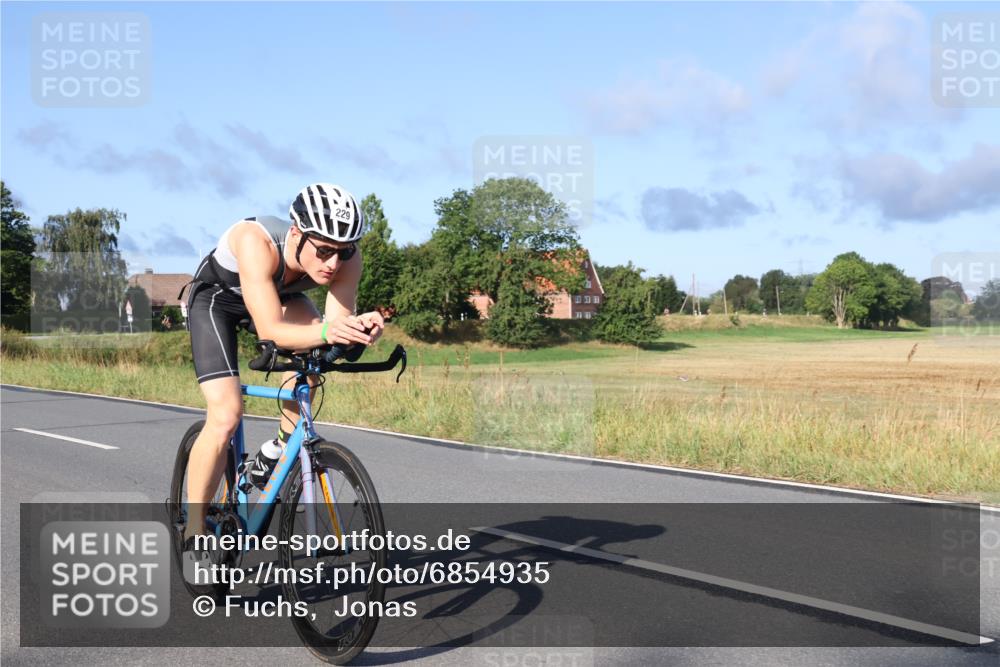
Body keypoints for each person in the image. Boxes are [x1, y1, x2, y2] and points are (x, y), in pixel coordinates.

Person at [181, 183, 384, 568]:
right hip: (217, 301)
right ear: (296, 234)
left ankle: (275, 450)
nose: (334, 264)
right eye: (323, 250)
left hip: (282, 298)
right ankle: (194, 525)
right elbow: (271, 329)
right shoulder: (255, 240)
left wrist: (359, 330)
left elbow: (333, 332)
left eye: (344, 252)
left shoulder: (346, 261)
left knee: (315, 361)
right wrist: (327, 330)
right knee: (225, 415)